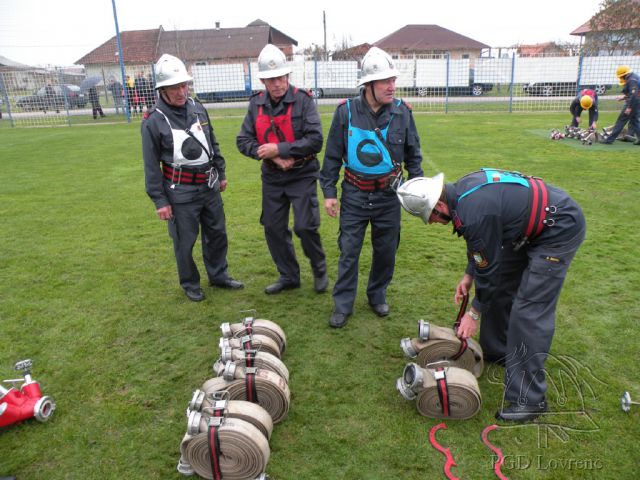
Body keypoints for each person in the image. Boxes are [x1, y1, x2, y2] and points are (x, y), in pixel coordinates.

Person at [396, 168, 586, 422]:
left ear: (439, 204)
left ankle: (530, 399)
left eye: (429, 216)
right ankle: (498, 351)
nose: (431, 223)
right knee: (501, 288)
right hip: (524, 229)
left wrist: (473, 313)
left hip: (557, 228)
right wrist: (468, 275)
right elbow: (481, 245)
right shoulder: (460, 195)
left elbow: (487, 262)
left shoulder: (474, 212)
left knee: (528, 312)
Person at [320, 47, 424, 328]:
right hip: (354, 194)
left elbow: (413, 155)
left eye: (393, 80)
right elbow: (331, 155)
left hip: (389, 196)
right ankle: (343, 304)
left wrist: (419, 192)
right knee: (349, 250)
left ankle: (377, 294)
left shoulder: (403, 113)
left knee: (386, 250)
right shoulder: (346, 113)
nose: (392, 86)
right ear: (368, 84)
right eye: (384, 81)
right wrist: (329, 193)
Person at [141, 54, 243, 302]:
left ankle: (219, 275)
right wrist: (160, 200)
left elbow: (212, 142)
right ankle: (190, 283)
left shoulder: (198, 108)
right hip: (180, 192)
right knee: (184, 241)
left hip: (208, 186)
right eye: (174, 87)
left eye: (184, 85)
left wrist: (221, 172)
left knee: (217, 233)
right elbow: (151, 165)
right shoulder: (153, 121)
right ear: (162, 89)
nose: (181, 91)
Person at [236, 44, 328, 295]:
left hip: (302, 174)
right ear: (263, 81)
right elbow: (243, 141)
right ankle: (289, 275)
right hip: (273, 177)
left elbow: (316, 140)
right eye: (271, 79)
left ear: (287, 76)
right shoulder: (255, 105)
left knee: (305, 226)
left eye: (280, 77)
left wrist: (282, 150)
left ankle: (319, 268)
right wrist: (273, 157)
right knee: (273, 227)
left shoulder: (303, 101)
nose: (277, 83)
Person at [602, 65, 640, 145]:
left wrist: (629, 107)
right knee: (635, 121)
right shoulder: (634, 77)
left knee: (621, 120)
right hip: (636, 102)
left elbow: (634, 95)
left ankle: (609, 140)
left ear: (623, 75)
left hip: (633, 102)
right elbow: (634, 93)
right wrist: (623, 98)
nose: (620, 78)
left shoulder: (631, 80)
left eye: (620, 76)